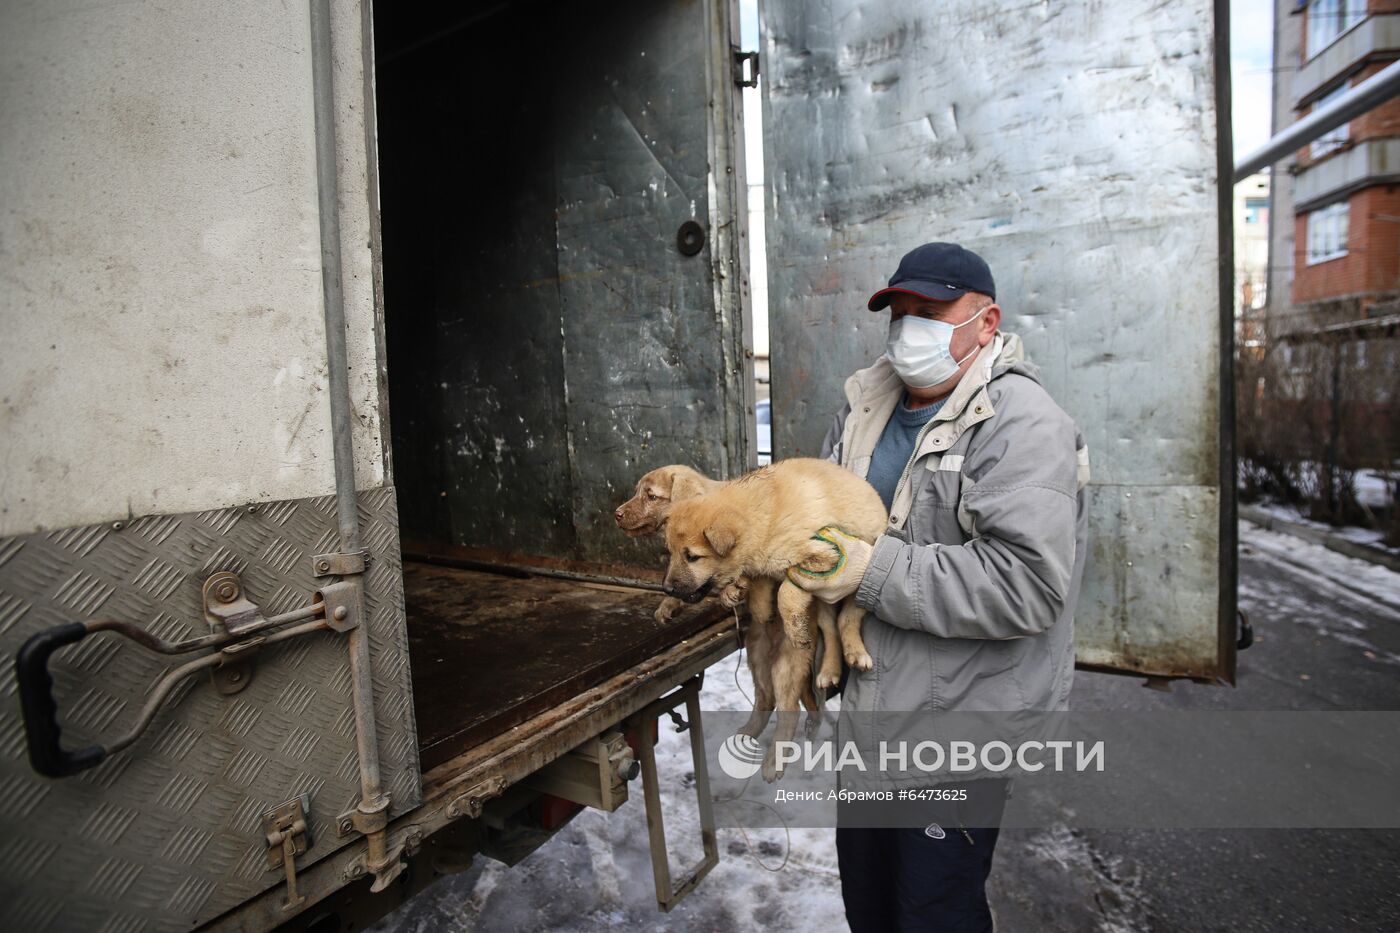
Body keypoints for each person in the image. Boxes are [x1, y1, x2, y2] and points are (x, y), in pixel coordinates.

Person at [787, 242, 1090, 933]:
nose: (907, 328)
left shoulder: (1020, 423)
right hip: (872, 720)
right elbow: (820, 518)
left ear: (987, 322)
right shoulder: (864, 407)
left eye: (930, 310)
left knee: (932, 914)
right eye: (900, 311)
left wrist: (871, 569)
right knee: (869, 904)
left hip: (955, 726)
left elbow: (1028, 584)